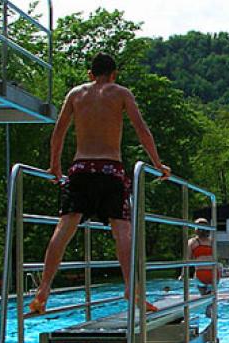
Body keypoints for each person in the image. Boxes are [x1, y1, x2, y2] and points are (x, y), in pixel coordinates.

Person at [28, 53, 170, 315]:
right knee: (122, 231)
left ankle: (43, 290)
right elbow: (142, 130)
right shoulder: (121, 94)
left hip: (80, 169)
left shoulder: (75, 94)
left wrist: (55, 166)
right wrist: (158, 164)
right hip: (110, 169)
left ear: (90, 74)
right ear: (114, 74)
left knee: (64, 229)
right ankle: (131, 289)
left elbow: (58, 131)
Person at [188, 218, 215, 295]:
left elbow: (187, 260)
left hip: (201, 273)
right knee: (211, 298)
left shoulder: (192, 242)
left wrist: (183, 274)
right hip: (212, 273)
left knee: (204, 297)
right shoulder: (211, 242)